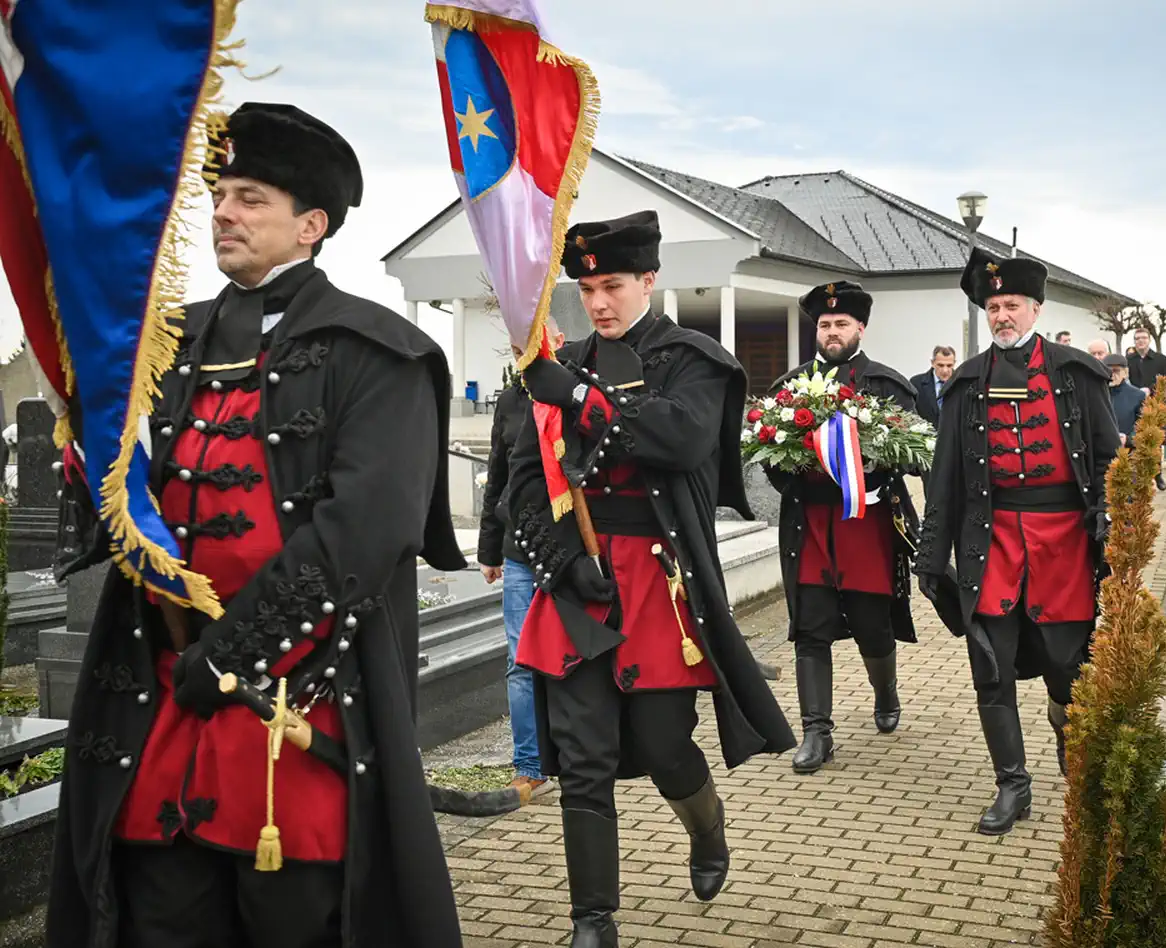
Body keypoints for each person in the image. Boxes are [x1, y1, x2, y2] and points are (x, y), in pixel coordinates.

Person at [47, 103, 467, 948]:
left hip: (297, 701)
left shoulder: (379, 351)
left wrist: (231, 657)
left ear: (311, 225)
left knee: (292, 923)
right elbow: (123, 502)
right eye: (219, 195)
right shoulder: (157, 345)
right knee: (154, 916)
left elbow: (362, 535)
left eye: (250, 198)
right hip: (161, 700)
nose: (224, 214)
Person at [510, 209, 795, 946]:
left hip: (660, 586)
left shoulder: (693, 358)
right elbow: (522, 484)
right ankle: (592, 920)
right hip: (578, 584)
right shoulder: (560, 360)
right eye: (586, 287)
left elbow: (679, 437)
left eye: (611, 285)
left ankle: (706, 829)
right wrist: (564, 560)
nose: (598, 302)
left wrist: (572, 397)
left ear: (649, 280)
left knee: (667, 745)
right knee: (583, 759)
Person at [914, 248, 1118, 838]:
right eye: (993, 306)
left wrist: (1111, 523)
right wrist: (931, 557)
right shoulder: (966, 384)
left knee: (1068, 672)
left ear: (1036, 307)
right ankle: (1013, 786)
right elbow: (945, 479)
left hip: (1065, 545)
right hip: (993, 541)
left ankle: (1074, 763)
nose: (1002, 315)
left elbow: (1108, 460)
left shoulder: (1078, 373)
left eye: (1012, 305)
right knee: (990, 669)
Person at [767, 281, 922, 775]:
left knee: (870, 625)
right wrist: (791, 460)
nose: (831, 332)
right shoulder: (788, 389)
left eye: (841, 324)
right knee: (810, 628)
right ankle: (817, 731)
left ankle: (886, 690)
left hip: (867, 522)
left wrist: (871, 457)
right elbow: (766, 455)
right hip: (810, 524)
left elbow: (915, 453)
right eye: (824, 325)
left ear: (861, 328)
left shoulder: (887, 386)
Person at [477, 326, 565, 802]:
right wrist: (489, 549)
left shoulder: (578, 390)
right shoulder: (510, 401)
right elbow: (498, 475)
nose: (525, 352)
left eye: (534, 341)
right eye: (517, 345)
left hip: (571, 552)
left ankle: (576, 753)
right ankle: (530, 764)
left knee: (572, 657)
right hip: (518, 554)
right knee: (521, 661)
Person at [1126, 326, 1166, 490]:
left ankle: (1158, 474)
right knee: (1135, 439)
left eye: (1143, 338)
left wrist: (1150, 389)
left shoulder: (1161, 359)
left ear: (1149, 340)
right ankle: (1136, 476)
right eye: (1137, 338)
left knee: (1155, 441)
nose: (1140, 341)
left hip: (1154, 405)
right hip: (1133, 405)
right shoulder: (1129, 360)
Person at [1105, 353, 1145, 447]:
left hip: (1126, 453)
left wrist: (1128, 439)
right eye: (1108, 371)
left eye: (1116, 371)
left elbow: (1145, 428)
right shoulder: (1095, 393)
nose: (1111, 375)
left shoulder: (1137, 396)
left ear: (1125, 373)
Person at [910, 345, 955, 426]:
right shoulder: (916, 383)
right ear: (932, 363)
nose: (945, 370)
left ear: (954, 363)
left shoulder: (962, 384)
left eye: (949, 366)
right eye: (940, 365)